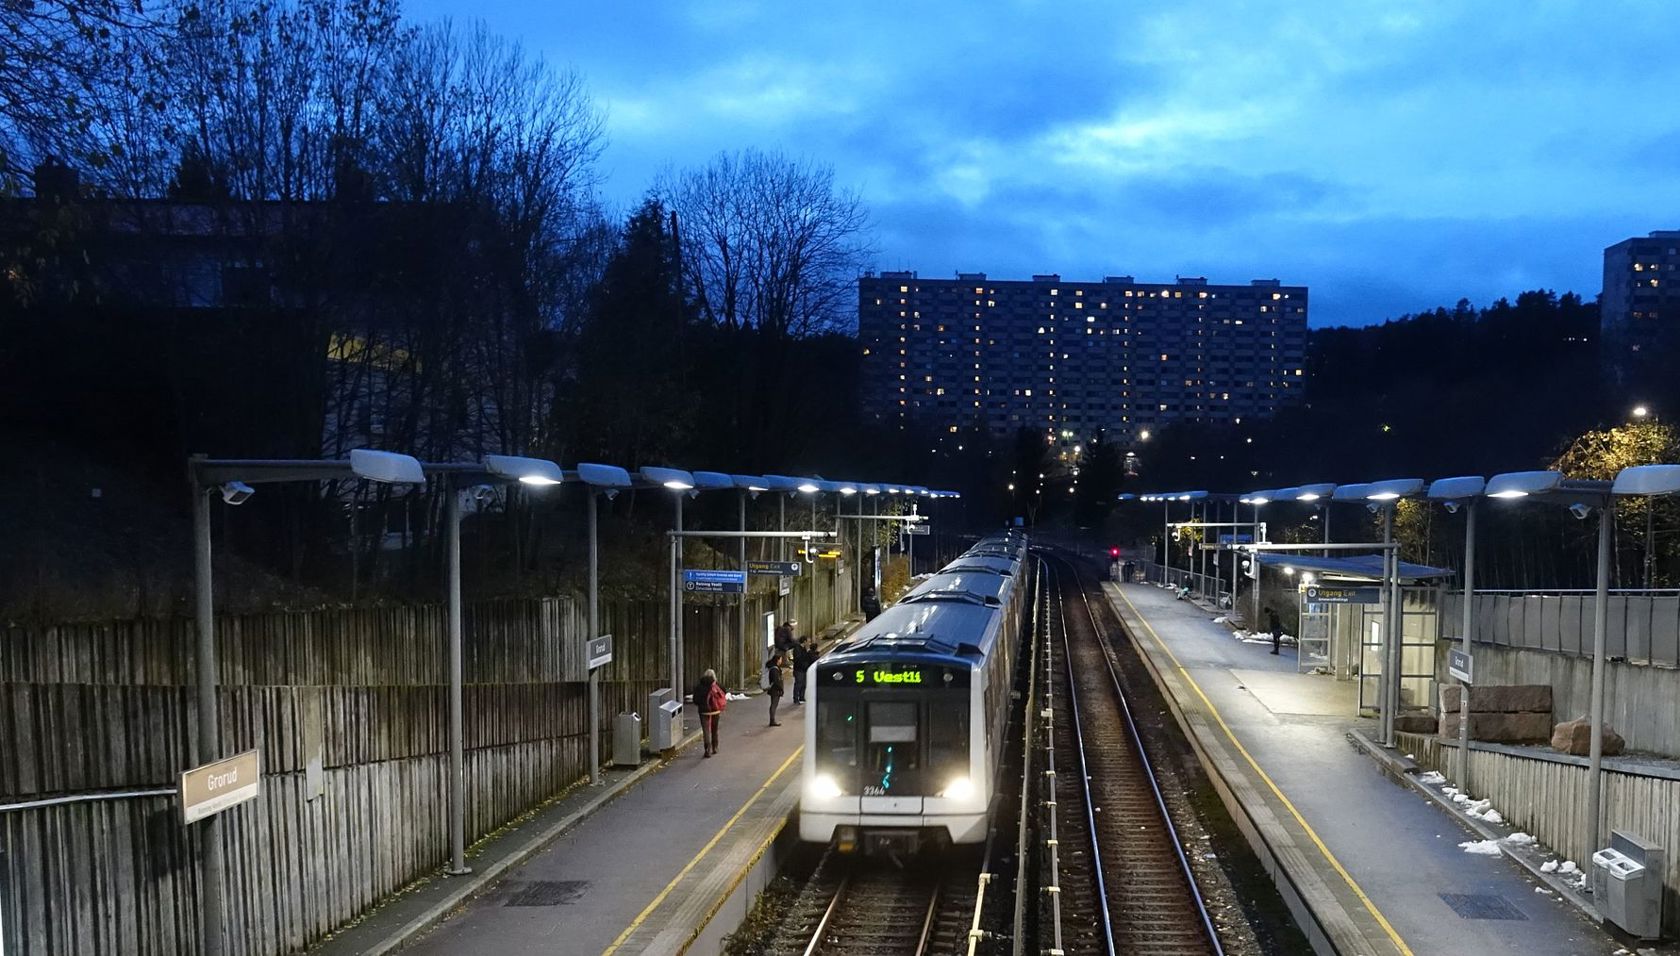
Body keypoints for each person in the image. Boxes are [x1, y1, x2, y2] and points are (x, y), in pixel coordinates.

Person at [691, 668, 727, 757]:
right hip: (715, 710)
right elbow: (724, 693)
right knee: (714, 729)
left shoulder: (699, 686)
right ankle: (715, 747)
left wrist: (701, 704)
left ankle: (707, 749)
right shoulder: (718, 685)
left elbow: (695, 700)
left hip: (704, 712)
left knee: (706, 730)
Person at [791, 637, 815, 704]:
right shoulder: (797, 649)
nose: (809, 643)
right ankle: (795, 698)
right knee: (798, 684)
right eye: (808, 642)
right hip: (799, 669)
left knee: (804, 684)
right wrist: (807, 652)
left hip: (805, 669)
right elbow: (799, 659)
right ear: (804, 642)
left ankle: (802, 697)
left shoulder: (805, 649)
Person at [764, 653, 786, 726]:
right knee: (774, 705)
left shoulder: (773, 668)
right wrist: (781, 689)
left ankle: (772, 719)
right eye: (780, 659)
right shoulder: (774, 670)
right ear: (777, 660)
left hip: (774, 689)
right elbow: (776, 681)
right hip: (775, 690)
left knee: (774, 704)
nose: (781, 661)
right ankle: (772, 720)